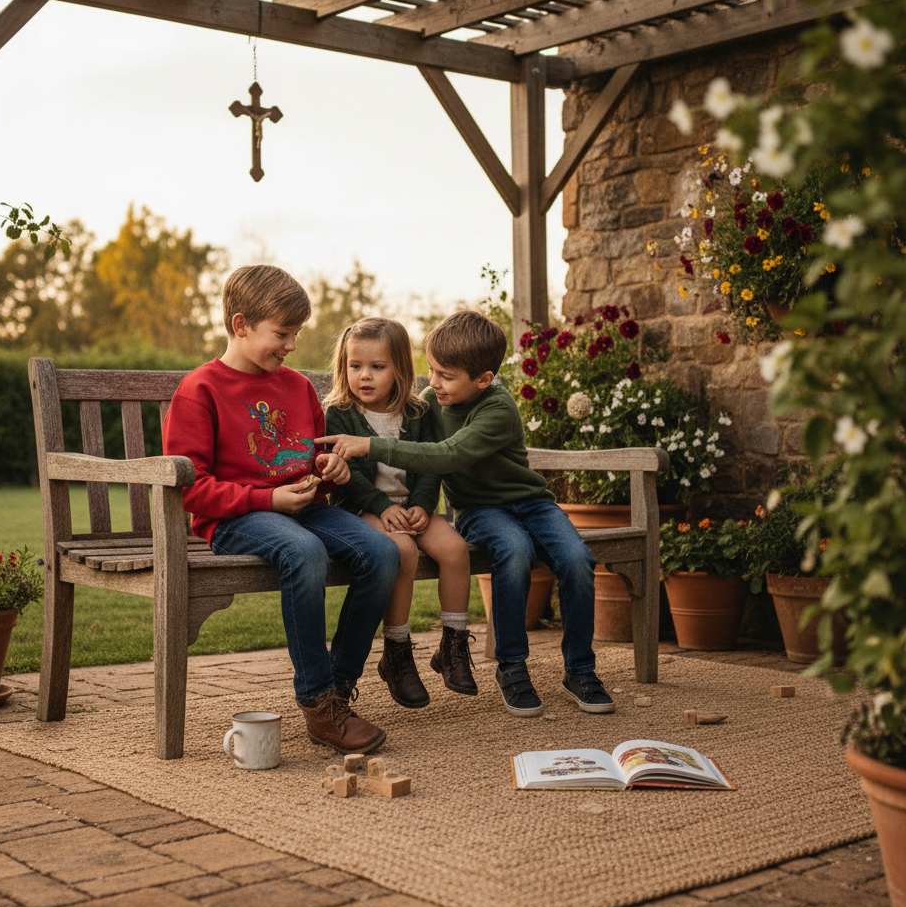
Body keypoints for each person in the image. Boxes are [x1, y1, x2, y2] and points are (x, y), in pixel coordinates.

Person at [316, 310, 615, 718]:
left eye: (446, 376)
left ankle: (579, 669)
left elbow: (445, 456)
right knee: (513, 551)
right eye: (432, 371)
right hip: (477, 510)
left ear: (484, 379)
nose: (433, 383)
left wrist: (396, 476)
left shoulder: (497, 407)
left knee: (578, 560)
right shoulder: (428, 405)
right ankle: (511, 667)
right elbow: (401, 456)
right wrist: (392, 502)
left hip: (532, 503)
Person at [163, 264, 400, 753]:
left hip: (300, 507)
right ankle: (317, 701)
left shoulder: (295, 386)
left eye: (296, 333)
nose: (291, 345)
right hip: (235, 519)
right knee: (306, 552)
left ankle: (337, 688)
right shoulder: (200, 390)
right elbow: (192, 489)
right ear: (241, 324)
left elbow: (307, 453)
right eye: (282, 333)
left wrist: (329, 469)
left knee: (383, 552)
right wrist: (265, 499)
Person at [324, 317, 474, 710]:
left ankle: (453, 647)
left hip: (411, 509)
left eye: (377, 367)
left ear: (400, 370)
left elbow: (428, 466)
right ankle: (397, 651)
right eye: (355, 366)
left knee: (456, 550)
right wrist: (382, 506)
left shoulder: (417, 412)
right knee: (403, 552)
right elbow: (348, 478)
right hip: (361, 508)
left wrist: (423, 505)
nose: (364, 376)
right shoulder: (339, 413)